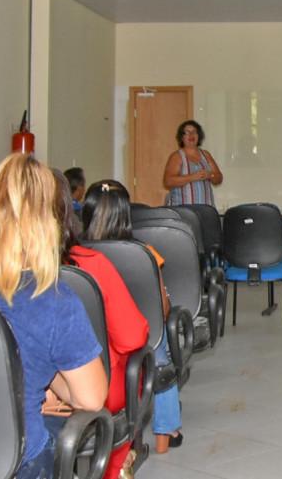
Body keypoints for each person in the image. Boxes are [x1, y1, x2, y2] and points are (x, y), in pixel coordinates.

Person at [0, 154, 107, 479]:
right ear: (48, 221)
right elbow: (92, 397)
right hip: (16, 459)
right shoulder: (53, 300)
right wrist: (50, 380)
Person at [46, 170, 149, 479]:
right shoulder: (91, 264)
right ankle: (116, 466)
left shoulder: (3, 270)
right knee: (131, 370)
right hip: (93, 388)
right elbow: (132, 337)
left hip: (19, 395)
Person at [82, 179, 185, 454]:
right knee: (159, 345)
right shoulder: (145, 254)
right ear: (126, 214)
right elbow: (161, 308)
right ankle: (168, 429)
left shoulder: (74, 254)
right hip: (136, 342)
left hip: (89, 343)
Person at [163, 120, 222, 206]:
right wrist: (193, 177)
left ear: (199, 136)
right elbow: (168, 181)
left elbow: (219, 178)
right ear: (182, 137)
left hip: (206, 210)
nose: (191, 135)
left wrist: (210, 175)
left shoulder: (206, 155)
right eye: (187, 132)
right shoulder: (177, 156)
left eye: (194, 132)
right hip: (182, 211)